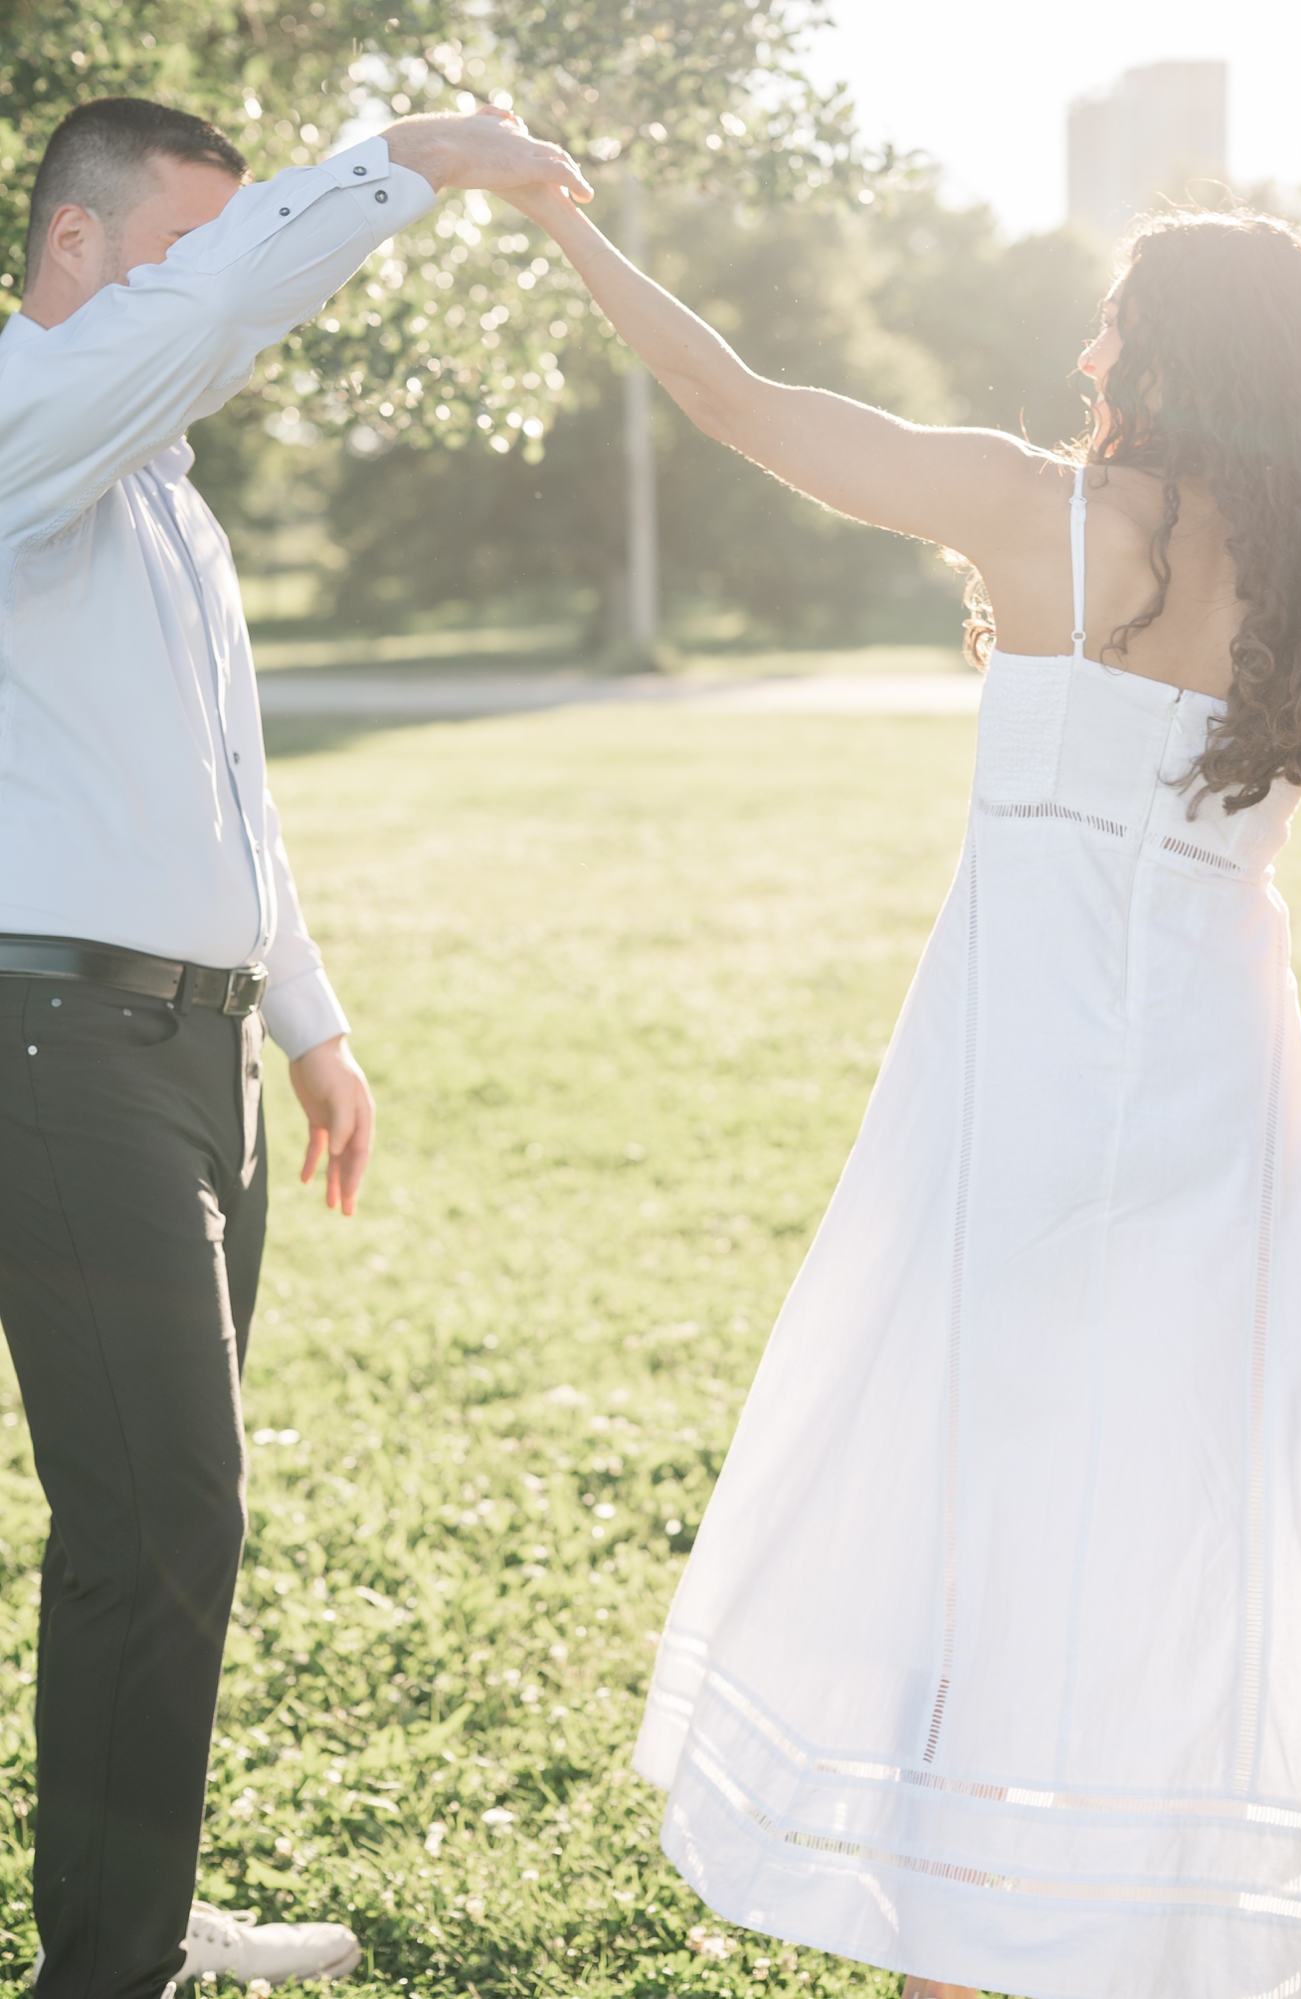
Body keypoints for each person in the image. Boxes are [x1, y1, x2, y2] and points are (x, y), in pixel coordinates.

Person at [496, 168, 1301, 1999]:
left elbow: (737, 400)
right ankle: (1125, 1936)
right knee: (1162, 1544)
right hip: (1226, 1115)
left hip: (1017, 1102)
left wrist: (568, 223)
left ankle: (960, 1951)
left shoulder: (1040, 519)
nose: (1092, 345)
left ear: (1180, 354)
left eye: (1120, 318)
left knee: (971, 1529)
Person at [0, 95, 590, 1999]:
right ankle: (110, 1968)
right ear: (73, 250)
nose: (224, 325)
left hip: (198, 1057)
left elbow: (228, 796)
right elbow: (195, 328)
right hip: (53, 1045)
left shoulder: (166, 495)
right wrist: (399, 157)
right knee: (156, 1512)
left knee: (171, 1523)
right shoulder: (24, 425)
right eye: (190, 261)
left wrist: (309, 1027)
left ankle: (136, 1919)